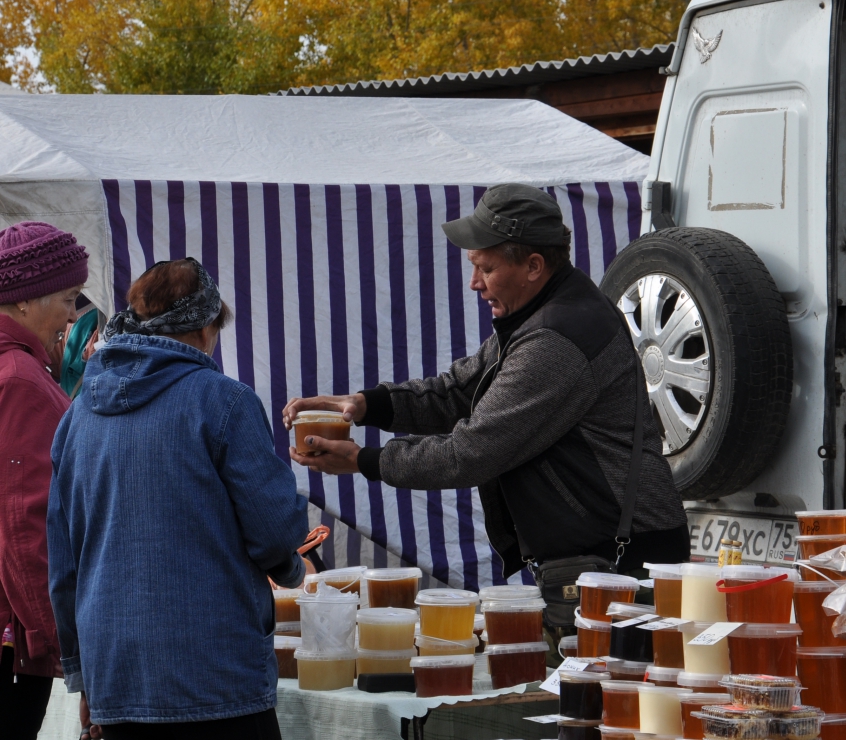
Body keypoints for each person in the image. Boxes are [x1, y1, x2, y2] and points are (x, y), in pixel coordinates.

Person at [284, 184, 689, 580]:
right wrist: (366, 405)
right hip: (602, 554)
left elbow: (471, 453)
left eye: (487, 268)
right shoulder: (544, 316)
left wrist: (364, 460)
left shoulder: (557, 338)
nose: (475, 283)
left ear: (533, 266)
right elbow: (458, 392)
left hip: (626, 560)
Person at [48, 258, 308, 739]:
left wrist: (85, 678)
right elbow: (275, 529)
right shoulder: (224, 402)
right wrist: (290, 569)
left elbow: (64, 567)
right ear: (206, 328)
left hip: (117, 676)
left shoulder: (76, 417)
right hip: (217, 676)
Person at [0, 221, 89, 740]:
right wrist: (59, 644)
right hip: (14, 642)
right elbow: (24, 525)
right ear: (26, 302)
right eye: (69, 298)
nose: (74, 316)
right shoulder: (18, 380)